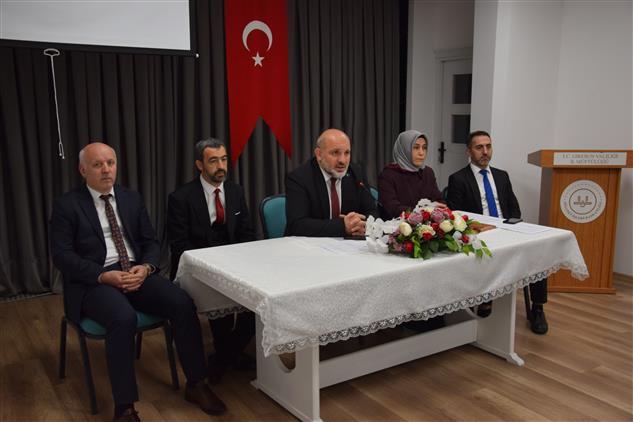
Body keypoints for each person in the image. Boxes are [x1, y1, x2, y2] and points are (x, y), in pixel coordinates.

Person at [50, 142, 226, 422]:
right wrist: (102, 275)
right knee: (123, 317)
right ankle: (125, 408)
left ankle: (196, 384)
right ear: (83, 170)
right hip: (95, 281)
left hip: (134, 271)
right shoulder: (67, 205)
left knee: (182, 302)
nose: (106, 169)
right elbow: (62, 256)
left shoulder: (131, 198)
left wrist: (146, 267)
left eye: (110, 163)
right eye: (98, 164)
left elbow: (150, 242)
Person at [167, 138, 255, 383]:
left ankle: (224, 356)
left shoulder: (236, 191)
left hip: (235, 261)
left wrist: (244, 260)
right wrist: (214, 266)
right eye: (213, 161)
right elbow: (179, 245)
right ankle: (229, 355)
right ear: (199, 164)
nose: (221, 166)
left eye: (224, 159)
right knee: (220, 295)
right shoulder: (181, 198)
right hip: (198, 266)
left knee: (260, 300)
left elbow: (247, 233)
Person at [446, 130, 548, 334]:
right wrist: (482, 230)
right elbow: (457, 216)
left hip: (506, 230)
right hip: (481, 235)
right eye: (479, 147)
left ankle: (537, 308)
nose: (485, 152)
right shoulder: (458, 179)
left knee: (539, 251)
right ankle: (487, 299)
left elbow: (514, 208)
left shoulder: (502, 176)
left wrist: (511, 228)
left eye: (488, 146)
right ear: (468, 151)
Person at [285, 128, 378, 237]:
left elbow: (372, 211)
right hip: (308, 245)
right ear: (319, 154)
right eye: (335, 153)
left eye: (347, 153)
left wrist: (361, 225)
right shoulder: (299, 178)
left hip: (347, 245)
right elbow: (297, 225)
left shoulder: (356, 174)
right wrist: (342, 227)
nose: (342, 160)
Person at [378, 130, 444, 219]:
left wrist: (435, 210)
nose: (421, 153)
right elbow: (393, 208)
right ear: (404, 149)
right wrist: (424, 211)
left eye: (424, 148)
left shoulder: (428, 172)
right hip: (396, 224)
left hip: (426, 223)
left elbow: (439, 201)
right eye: (416, 147)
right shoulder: (388, 175)